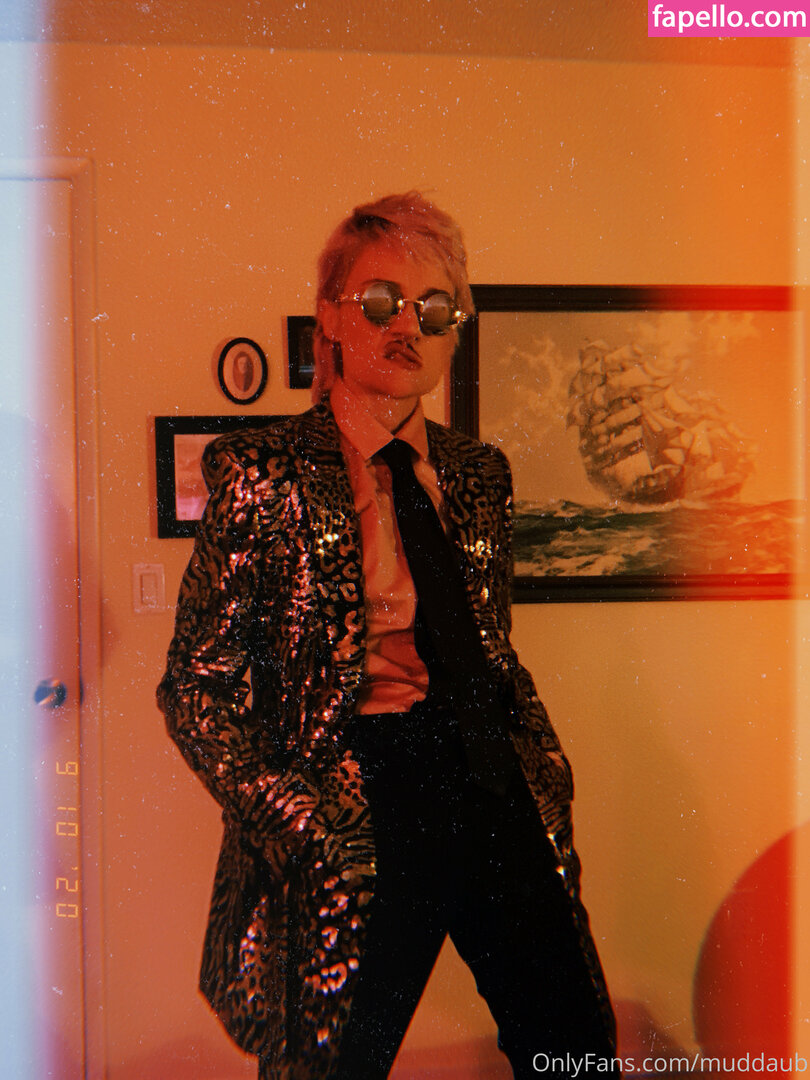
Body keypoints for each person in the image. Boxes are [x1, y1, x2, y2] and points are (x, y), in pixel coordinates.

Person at [157, 192, 616, 1080]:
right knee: (334, 1065)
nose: (409, 325)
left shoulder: (479, 473)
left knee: (575, 1050)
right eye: (381, 301)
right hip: (358, 796)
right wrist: (297, 820)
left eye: (436, 309)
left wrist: (543, 769)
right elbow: (195, 688)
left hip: (492, 784)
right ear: (330, 317)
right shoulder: (262, 473)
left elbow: (489, 645)